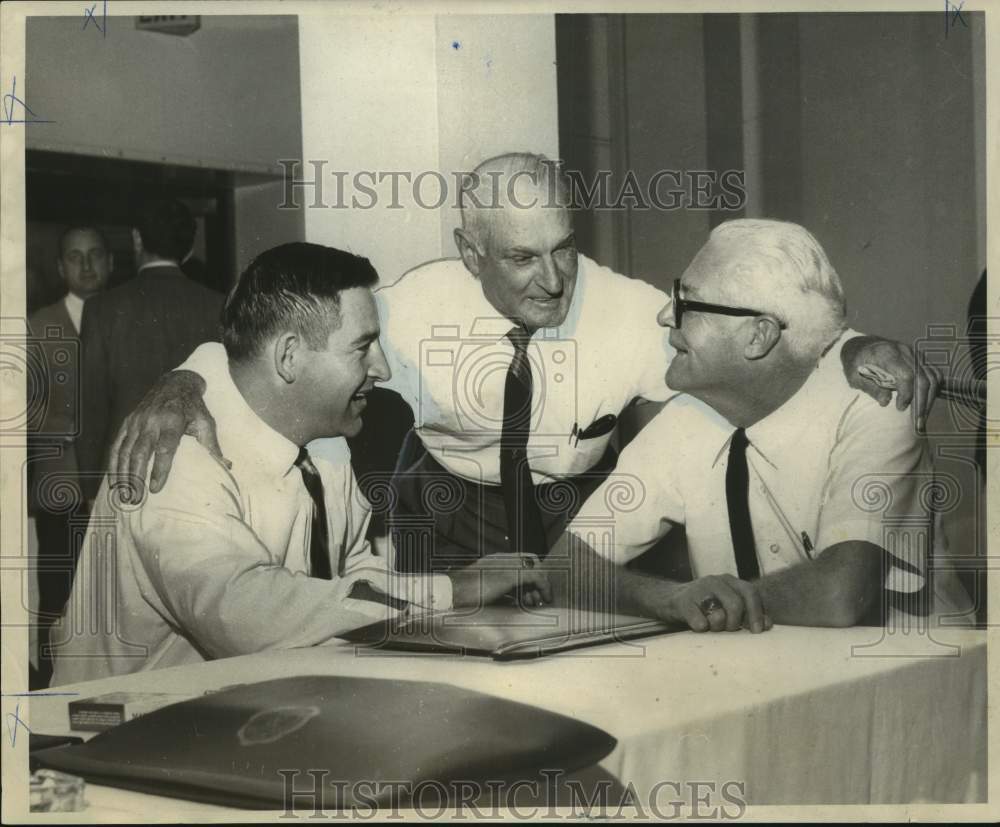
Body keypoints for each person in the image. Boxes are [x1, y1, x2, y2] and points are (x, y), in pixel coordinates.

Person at [109, 154, 937, 574]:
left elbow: (761, 338)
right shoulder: (412, 306)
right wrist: (186, 378)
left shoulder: (627, 309)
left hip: (576, 498)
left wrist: (856, 344)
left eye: (563, 248)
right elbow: (281, 339)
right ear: (470, 253)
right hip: (450, 502)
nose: (553, 280)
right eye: (520, 258)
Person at [51, 243, 550, 686]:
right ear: (289, 356)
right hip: (119, 728)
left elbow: (351, 569)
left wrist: (446, 608)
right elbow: (243, 617)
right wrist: (451, 590)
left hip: (248, 707)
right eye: (362, 346)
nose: (382, 368)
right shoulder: (173, 453)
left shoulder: (325, 440)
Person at [547, 219, 972, 632]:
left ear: (758, 336)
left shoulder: (877, 404)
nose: (663, 315)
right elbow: (565, 565)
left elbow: (839, 594)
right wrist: (669, 599)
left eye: (687, 303)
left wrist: (714, 603)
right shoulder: (687, 417)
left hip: (910, 669)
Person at [75, 198, 224, 500]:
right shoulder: (218, 305)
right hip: (196, 475)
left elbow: (91, 409)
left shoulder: (102, 308)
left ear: (137, 239)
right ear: (189, 248)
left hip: (123, 472)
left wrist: (91, 490)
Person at [26, 226, 112, 687]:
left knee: (111, 602)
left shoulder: (125, 317)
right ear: (61, 267)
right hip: (60, 486)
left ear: (111, 262)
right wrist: (82, 422)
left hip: (115, 490)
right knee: (58, 599)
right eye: (75, 256)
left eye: (95, 254)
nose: (86, 265)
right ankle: (47, 695)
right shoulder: (37, 325)